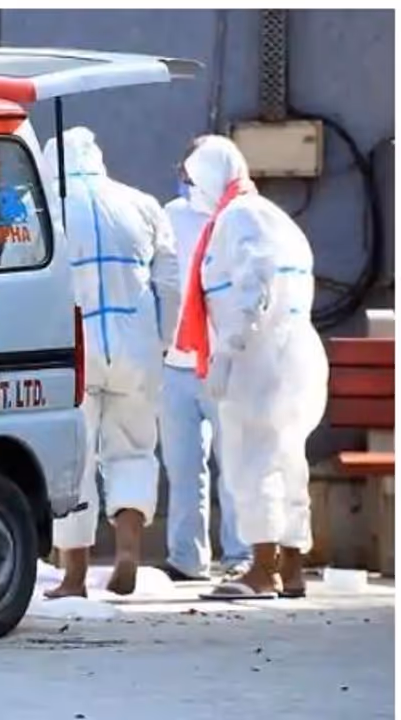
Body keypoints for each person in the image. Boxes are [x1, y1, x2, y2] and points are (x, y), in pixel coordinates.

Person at [177, 136, 328, 601]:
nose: (188, 189)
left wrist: (231, 347)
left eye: (190, 178)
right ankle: (292, 566)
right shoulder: (274, 217)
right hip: (293, 351)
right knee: (287, 459)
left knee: (252, 459)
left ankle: (263, 570)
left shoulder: (239, 218)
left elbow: (254, 282)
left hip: (259, 356)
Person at [42, 127, 179, 598]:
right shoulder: (142, 203)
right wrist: (162, 341)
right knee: (134, 450)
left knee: (72, 460)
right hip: (136, 345)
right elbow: (171, 282)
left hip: (73, 347)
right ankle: (127, 553)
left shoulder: (48, 204)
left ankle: (75, 575)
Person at [160, 138, 252, 582]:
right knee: (181, 468)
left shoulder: (241, 219)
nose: (186, 179)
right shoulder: (169, 215)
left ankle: (242, 555)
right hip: (176, 361)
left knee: (234, 464)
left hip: (227, 362)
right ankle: (185, 558)